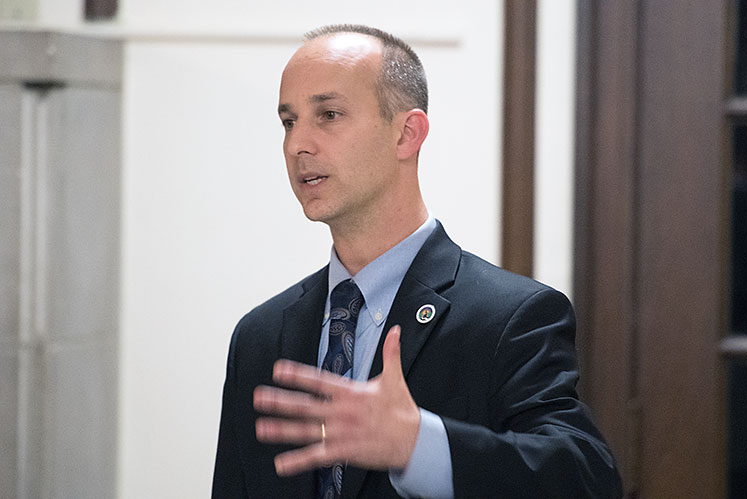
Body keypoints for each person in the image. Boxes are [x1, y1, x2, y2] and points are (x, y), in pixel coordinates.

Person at [212, 24, 622, 499]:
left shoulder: (512, 317)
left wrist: (419, 447)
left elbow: (586, 480)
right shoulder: (260, 336)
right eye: (288, 121)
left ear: (407, 133)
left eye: (328, 114)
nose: (297, 144)